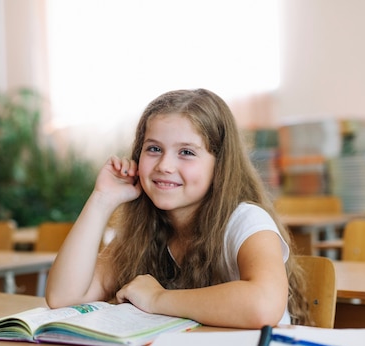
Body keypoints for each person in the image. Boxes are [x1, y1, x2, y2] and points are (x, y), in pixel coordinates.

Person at [46, 88, 309, 328]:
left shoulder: (246, 221)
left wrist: (159, 298)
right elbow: (64, 296)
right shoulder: (145, 228)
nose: (164, 165)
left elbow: (263, 306)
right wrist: (101, 200)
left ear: (220, 165)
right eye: (153, 149)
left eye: (186, 152)